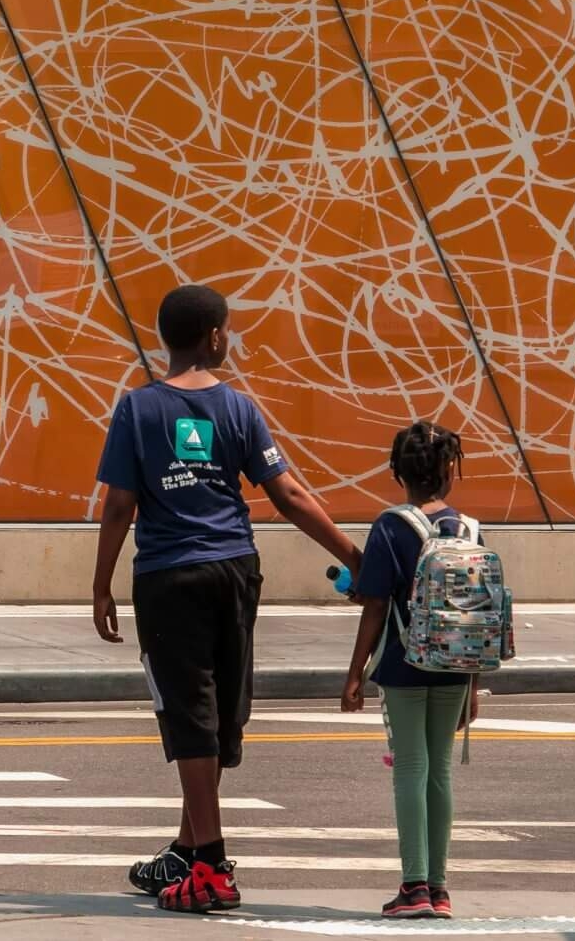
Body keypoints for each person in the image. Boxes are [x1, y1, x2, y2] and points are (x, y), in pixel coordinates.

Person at [92, 284, 362, 913]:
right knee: (220, 713)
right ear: (215, 336)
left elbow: (119, 506)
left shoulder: (137, 409)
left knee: (190, 715)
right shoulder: (239, 408)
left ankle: (208, 864)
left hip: (169, 577)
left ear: (165, 337)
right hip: (235, 570)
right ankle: (188, 851)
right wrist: (353, 554)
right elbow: (289, 494)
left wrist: (101, 584)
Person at [341, 422, 479, 920]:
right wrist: (473, 684)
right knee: (440, 770)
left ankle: (413, 885)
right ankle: (440, 890)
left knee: (411, 770)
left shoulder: (391, 526)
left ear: (398, 473)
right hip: (456, 668)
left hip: (404, 663)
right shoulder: (470, 529)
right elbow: (474, 611)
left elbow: (374, 606)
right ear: (448, 473)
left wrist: (355, 673)